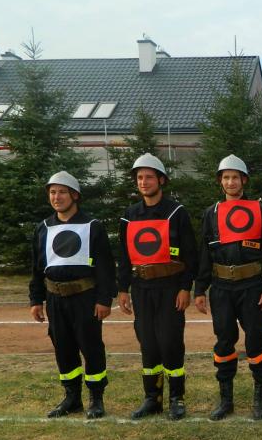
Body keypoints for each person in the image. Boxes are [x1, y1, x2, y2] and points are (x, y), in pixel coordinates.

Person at [194, 155, 262, 421]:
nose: (230, 182)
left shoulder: (261, 211)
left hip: (253, 287)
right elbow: (204, 253)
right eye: (226, 177)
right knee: (224, 340)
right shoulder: (211, 214)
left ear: (244, 180)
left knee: (256, 340)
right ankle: (226, 399)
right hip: (221, 288)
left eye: (235, 177)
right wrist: (200, 289)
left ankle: (260, 399)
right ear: (220, 181)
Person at [29, 171, 115, 419]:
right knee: (63, 348)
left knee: (91, 347)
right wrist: (36, 300)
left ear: (75, 195)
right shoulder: (43, 228)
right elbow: (37, 267)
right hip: (55, 299)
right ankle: (72, 397)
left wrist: (103, 299)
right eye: (52, 192)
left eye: (62, 192)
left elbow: (106, 266)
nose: (57, 197)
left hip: (85, 298)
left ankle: (96, 398)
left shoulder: (92, 226)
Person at [117, 153, 197, 421]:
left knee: (171, 342)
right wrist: (123, 289)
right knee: (148, 343)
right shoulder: (130, 216)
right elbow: (124, 256)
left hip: (170, 289)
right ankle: (152, 398)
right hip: (141, 289)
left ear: (161, 180)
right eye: (140, 177)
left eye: (149, 177)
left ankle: (176, 398)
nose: (144, 182)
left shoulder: (176, 212)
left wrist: (185, 288)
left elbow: (190, 254)